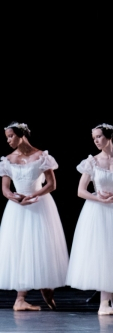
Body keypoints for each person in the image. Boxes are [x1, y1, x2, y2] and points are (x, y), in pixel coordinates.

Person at [66, 123, 113, 315]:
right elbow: (81, 191)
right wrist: (97, 197)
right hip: (98, 210)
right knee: (102, 252)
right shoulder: (91, 162)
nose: (96, 141)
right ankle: (104, 303)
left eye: (99, 137)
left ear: (109, 137)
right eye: (94, 138)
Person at [0, 122, 69, 310]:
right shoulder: (8, 159)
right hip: (17, 207)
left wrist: (33, 195)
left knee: (41, 246)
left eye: (11, 136)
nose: (8, 140)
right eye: (7, 137)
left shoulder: (41, 156)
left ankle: (46, 288)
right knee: (19, 248)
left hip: (39, 205)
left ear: (21, 135)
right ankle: (20, 299)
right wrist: (17, 198)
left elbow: (51, 184)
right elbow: (5, 189)